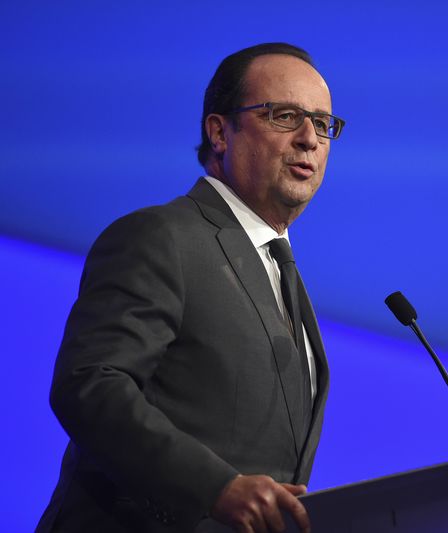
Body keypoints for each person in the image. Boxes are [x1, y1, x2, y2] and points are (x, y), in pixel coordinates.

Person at [36, 42, 344, 533]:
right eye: (285, 116)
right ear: (220, 132)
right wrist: (214, 487)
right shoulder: (162, 237)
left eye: (324, 124)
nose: (310, 138)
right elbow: (90, 383)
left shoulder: (280, 269)